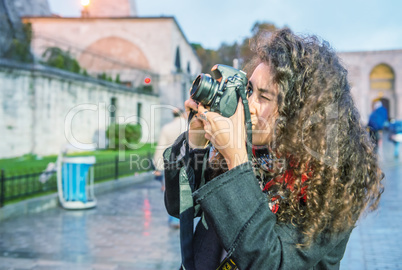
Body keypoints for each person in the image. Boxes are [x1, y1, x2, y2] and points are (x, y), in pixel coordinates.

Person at [163, 28, 384, 269]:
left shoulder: (332, 185)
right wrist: (195, 141)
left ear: (299, 113)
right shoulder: (246, 149)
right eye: (249, 90)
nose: (248, 104)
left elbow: (271, 261)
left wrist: (237, 160)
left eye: (264, 97)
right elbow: (179, 206)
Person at [153, 107, 186, 228]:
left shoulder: (166, 128)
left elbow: (160, 147)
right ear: (182, 114)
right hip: (186, 162)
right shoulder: (188, 125)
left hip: (170, 162)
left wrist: (157, 165)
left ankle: (174, 219)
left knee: (171, 191)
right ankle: (183, 218)